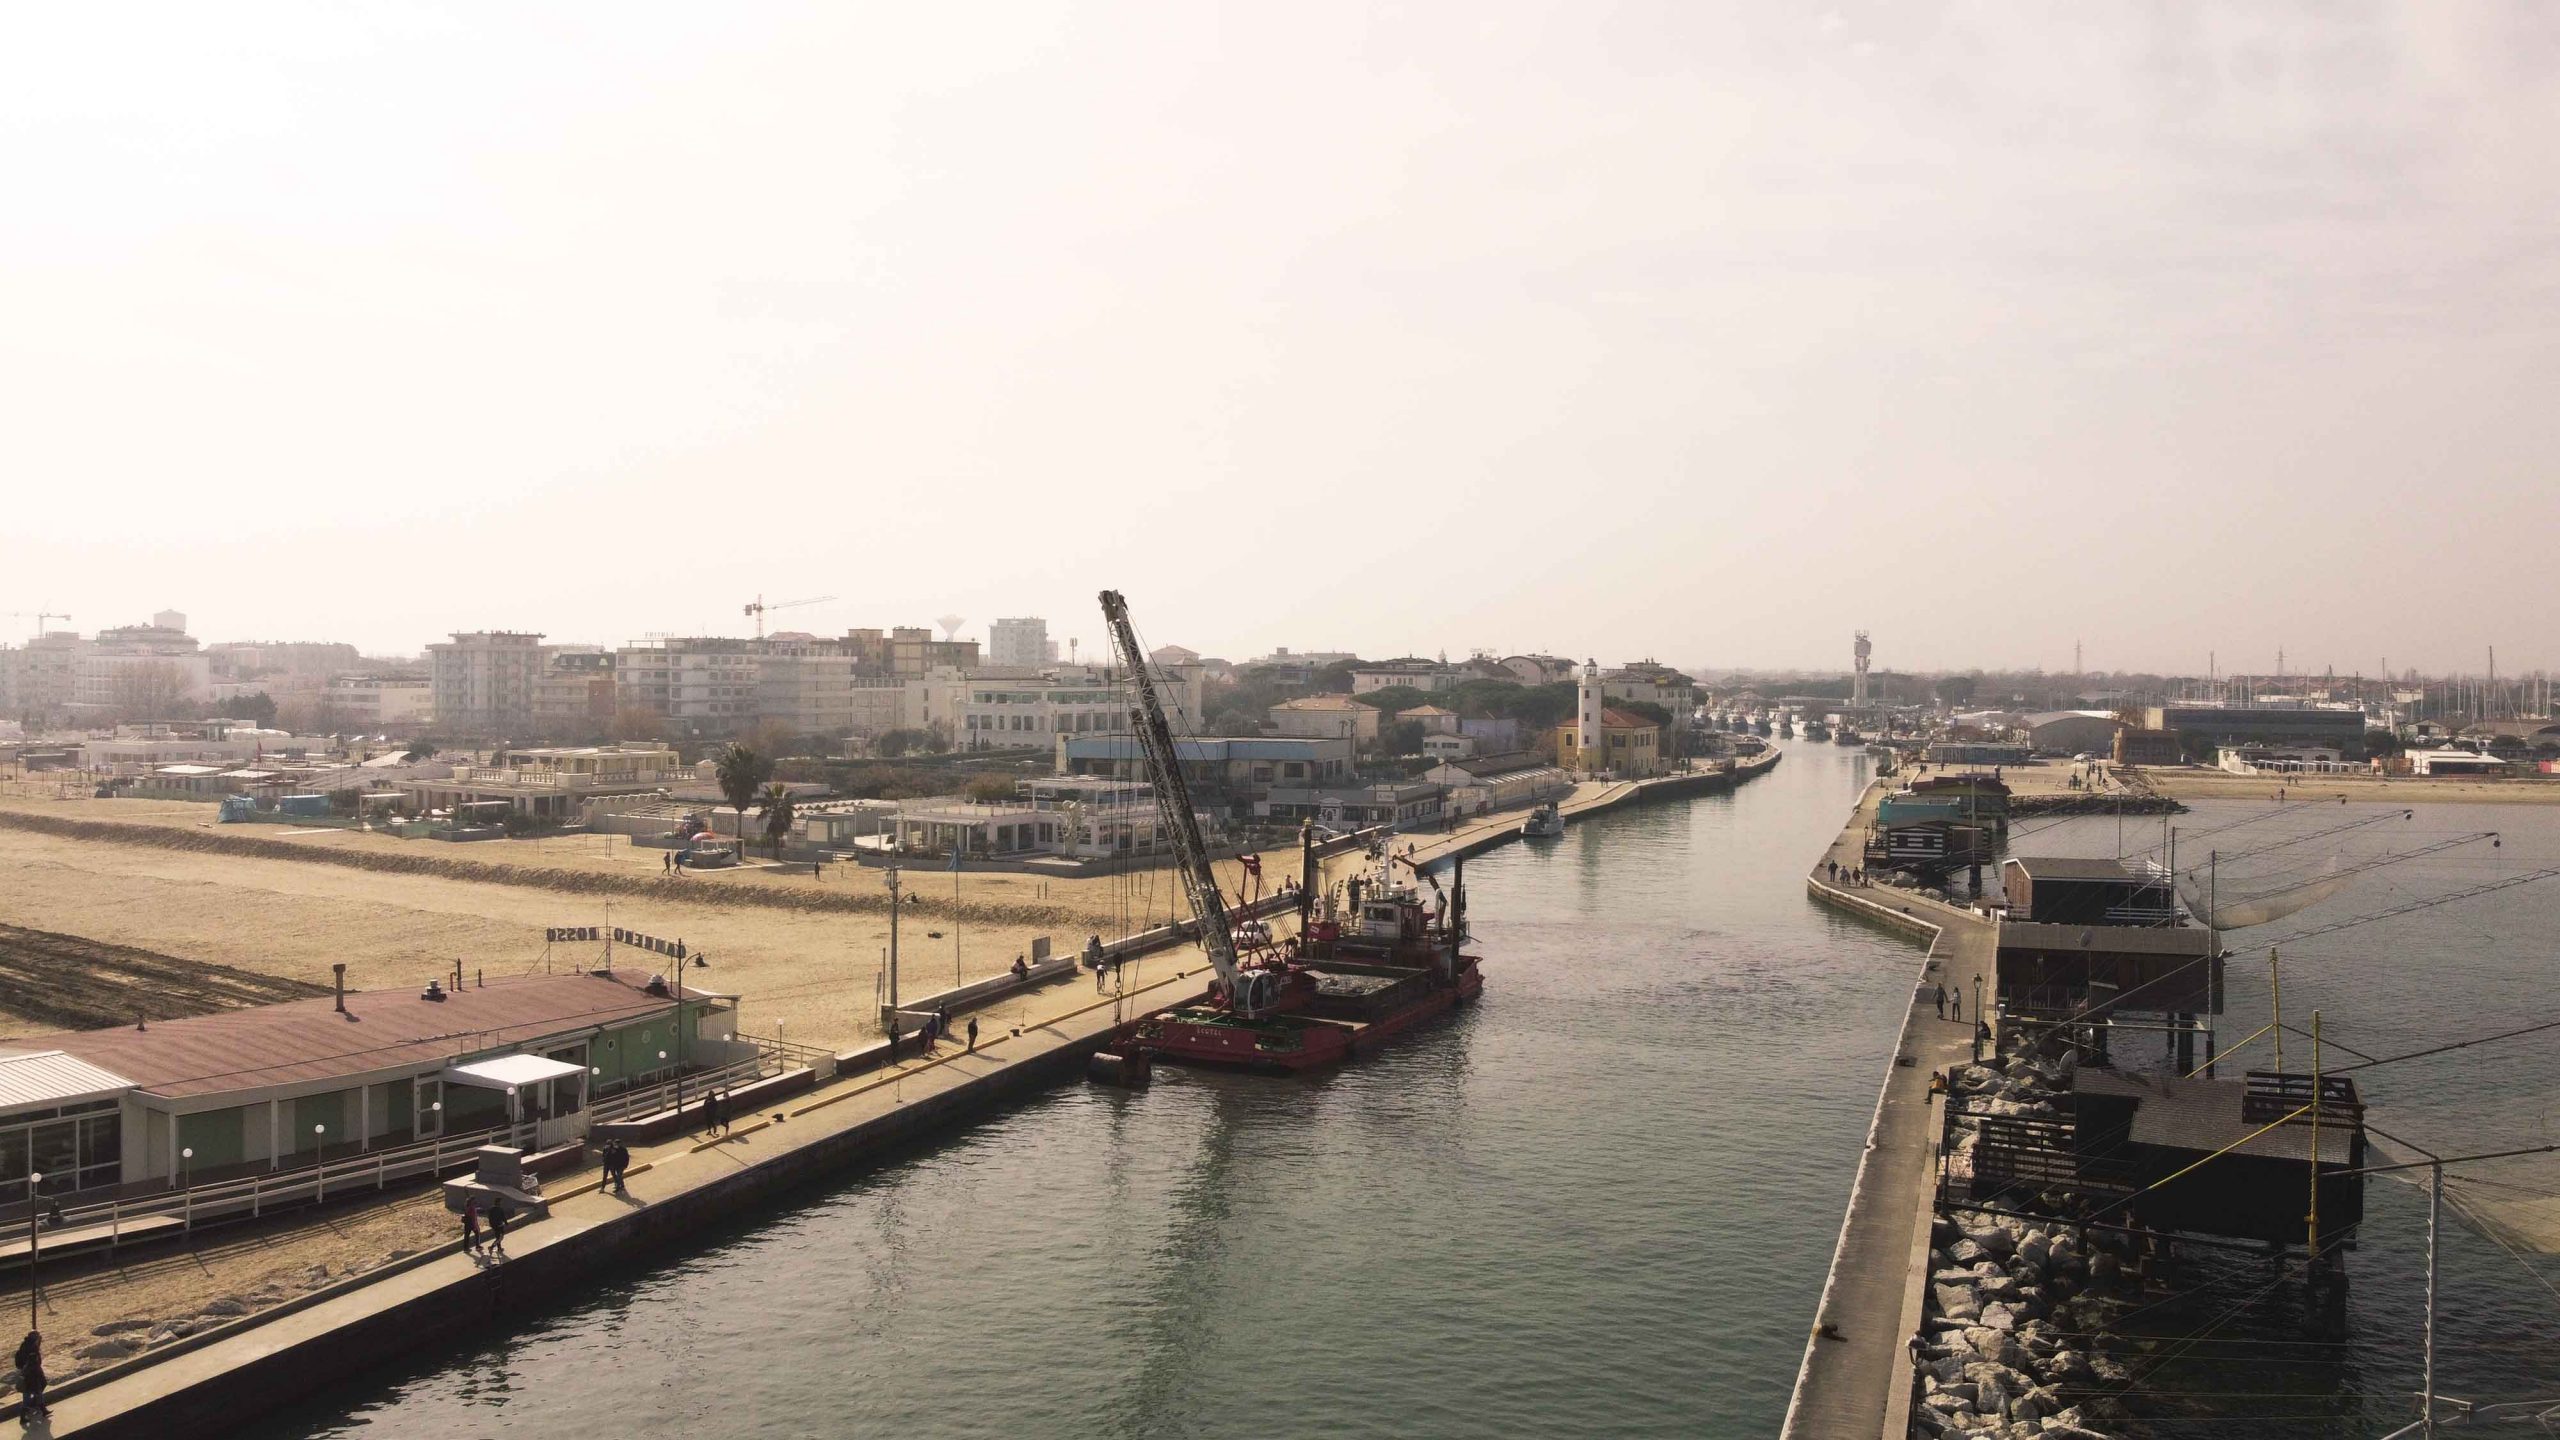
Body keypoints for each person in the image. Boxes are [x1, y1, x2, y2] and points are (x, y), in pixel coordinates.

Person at [14, 1331, 45, 1425]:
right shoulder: (31, 1349)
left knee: (35, 1393)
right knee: (31, 1394)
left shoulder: (26, 1345)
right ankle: (24, 1417)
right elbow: (33, 1364)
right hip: (31, 1376)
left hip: (28, 1375)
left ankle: (42, 1409)